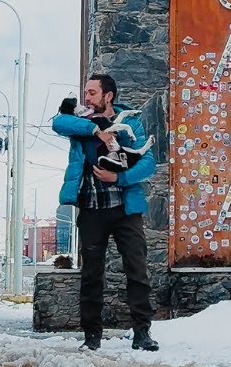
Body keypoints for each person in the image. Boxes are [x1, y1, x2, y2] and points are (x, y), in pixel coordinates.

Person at [52, 73, 159, 352]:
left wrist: (118, 179)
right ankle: (91, 337)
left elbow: (149, 164)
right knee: (91, 275)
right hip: (91, 209)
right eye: (85, 93)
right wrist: (96, 131)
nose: (86, 97)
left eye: (91, 93)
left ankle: (142, 333)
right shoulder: (81, 122)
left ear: (107, 96)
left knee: (137, 271)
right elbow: (58, 122)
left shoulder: (130, 123)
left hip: (125, 209)